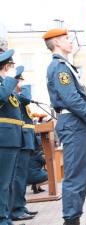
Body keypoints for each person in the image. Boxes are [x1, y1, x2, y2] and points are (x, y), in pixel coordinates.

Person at [43, 28, 86, 225]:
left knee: (81, 174)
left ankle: (74, 217)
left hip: (77, 123)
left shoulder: (66, 66)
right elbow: (71, 100)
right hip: (73, 124)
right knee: (75, 176)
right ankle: (71, 220)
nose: (70, 41)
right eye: (66, 38)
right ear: (56, 42)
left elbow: (75, 98)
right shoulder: (59, 67)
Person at [10, 66, 38, 221]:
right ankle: (16, 209)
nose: (23, 82)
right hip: (20, 140)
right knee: (18, 177)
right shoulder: (14, 94)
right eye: (20, 79)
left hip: (25, 140)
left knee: (22, 176)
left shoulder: (16, 94)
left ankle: (21, 206)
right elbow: (26, 97)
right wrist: (23, 86)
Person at [0, 49, 24, 225]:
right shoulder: (5, 84)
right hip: (3, 138)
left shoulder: (4, 83)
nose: (10, 69)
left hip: (12, 138)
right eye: (9, 65)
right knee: (2, 183)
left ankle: (6, 218)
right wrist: (9, 79)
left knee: (7, 183)